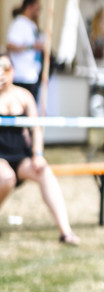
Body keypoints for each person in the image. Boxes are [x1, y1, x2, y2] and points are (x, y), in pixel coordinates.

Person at [0, 54, 80, 244]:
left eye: (5, 68)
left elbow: (36, 129)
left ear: (13, 71)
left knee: (45, 172)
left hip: (21, 156)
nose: (2, 73)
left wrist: (38, 154)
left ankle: (65, 232)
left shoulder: (24, 96)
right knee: (7, 178)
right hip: (1, 158)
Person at [5, 0, 45, 101]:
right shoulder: (19, 23)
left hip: (32, 74)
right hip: (21, 76)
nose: (39, 11)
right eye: (37, 8)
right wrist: (32, 46)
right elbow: (10, 45)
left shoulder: (31, 24)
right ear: (29, 7)